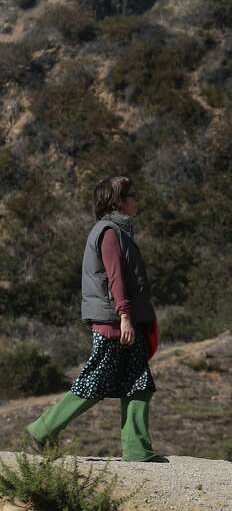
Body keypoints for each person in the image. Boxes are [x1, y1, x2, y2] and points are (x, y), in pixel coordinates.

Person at [26, 175, 166, 463]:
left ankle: (137, 450)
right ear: (119, 200)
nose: (137, 199)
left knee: (139, 381)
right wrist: (125, 316)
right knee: (95, 381)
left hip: (124, 321)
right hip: (115, 323)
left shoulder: (118, 231)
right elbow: (114, 279)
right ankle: (43, 428)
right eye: (132, 195)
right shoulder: (110, 232)